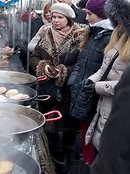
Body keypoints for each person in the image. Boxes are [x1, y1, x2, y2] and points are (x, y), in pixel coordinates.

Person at [29, 3, 86, 173]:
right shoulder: (46, 33)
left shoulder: (80, 36)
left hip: (69, 89)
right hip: (47, 88)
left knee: (68, 123)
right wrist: (42, 66)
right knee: (49, 123)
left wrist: (62, 71)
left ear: (68, 19)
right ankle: (52, 155)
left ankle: (68, 154)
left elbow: (81, 64)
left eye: (60, 17)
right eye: (53, 16)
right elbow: (34, 57)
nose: (55, 20)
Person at [66, 0, 113, 170]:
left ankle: (90, 164)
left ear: (101, 15)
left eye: (89, 14)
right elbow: (81, 61)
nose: (86, 18)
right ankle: (86, 162)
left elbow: (106, 69)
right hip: (84, 90)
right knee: (85, 131)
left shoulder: (109, 37)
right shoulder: (93, 32)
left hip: (96, 96)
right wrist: (74, 83)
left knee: (93, 136)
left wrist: (89, 86)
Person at [85, 0, 130, 166]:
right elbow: (105, 69)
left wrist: (97, 87)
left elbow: (124, 85)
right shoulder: (118, 38)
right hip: (103, 107)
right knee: (101, 149)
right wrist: (91, 80)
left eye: (119, 18)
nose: (116, 22)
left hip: (118, 109)